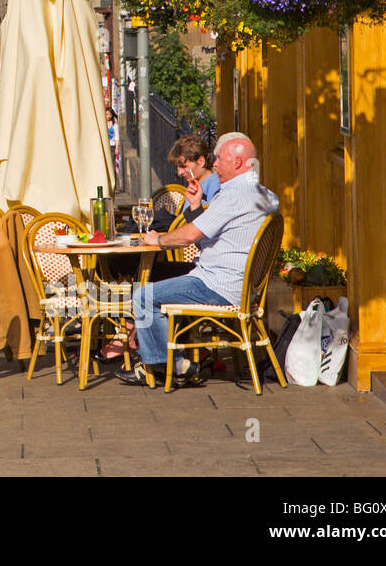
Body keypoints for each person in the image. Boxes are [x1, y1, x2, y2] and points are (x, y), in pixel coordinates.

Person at [118, 134, 279, 387]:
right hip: (239, 283)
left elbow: (189, 237)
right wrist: (194, 208)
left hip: (218, 285)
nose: (214, 165)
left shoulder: (233, 196)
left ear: (238, 163)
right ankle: (166, 355)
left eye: (220, 160)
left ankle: (167, 365)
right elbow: (207, 239)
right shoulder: (265, 195)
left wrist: (157, 241)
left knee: (144, 296)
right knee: (156, 275)